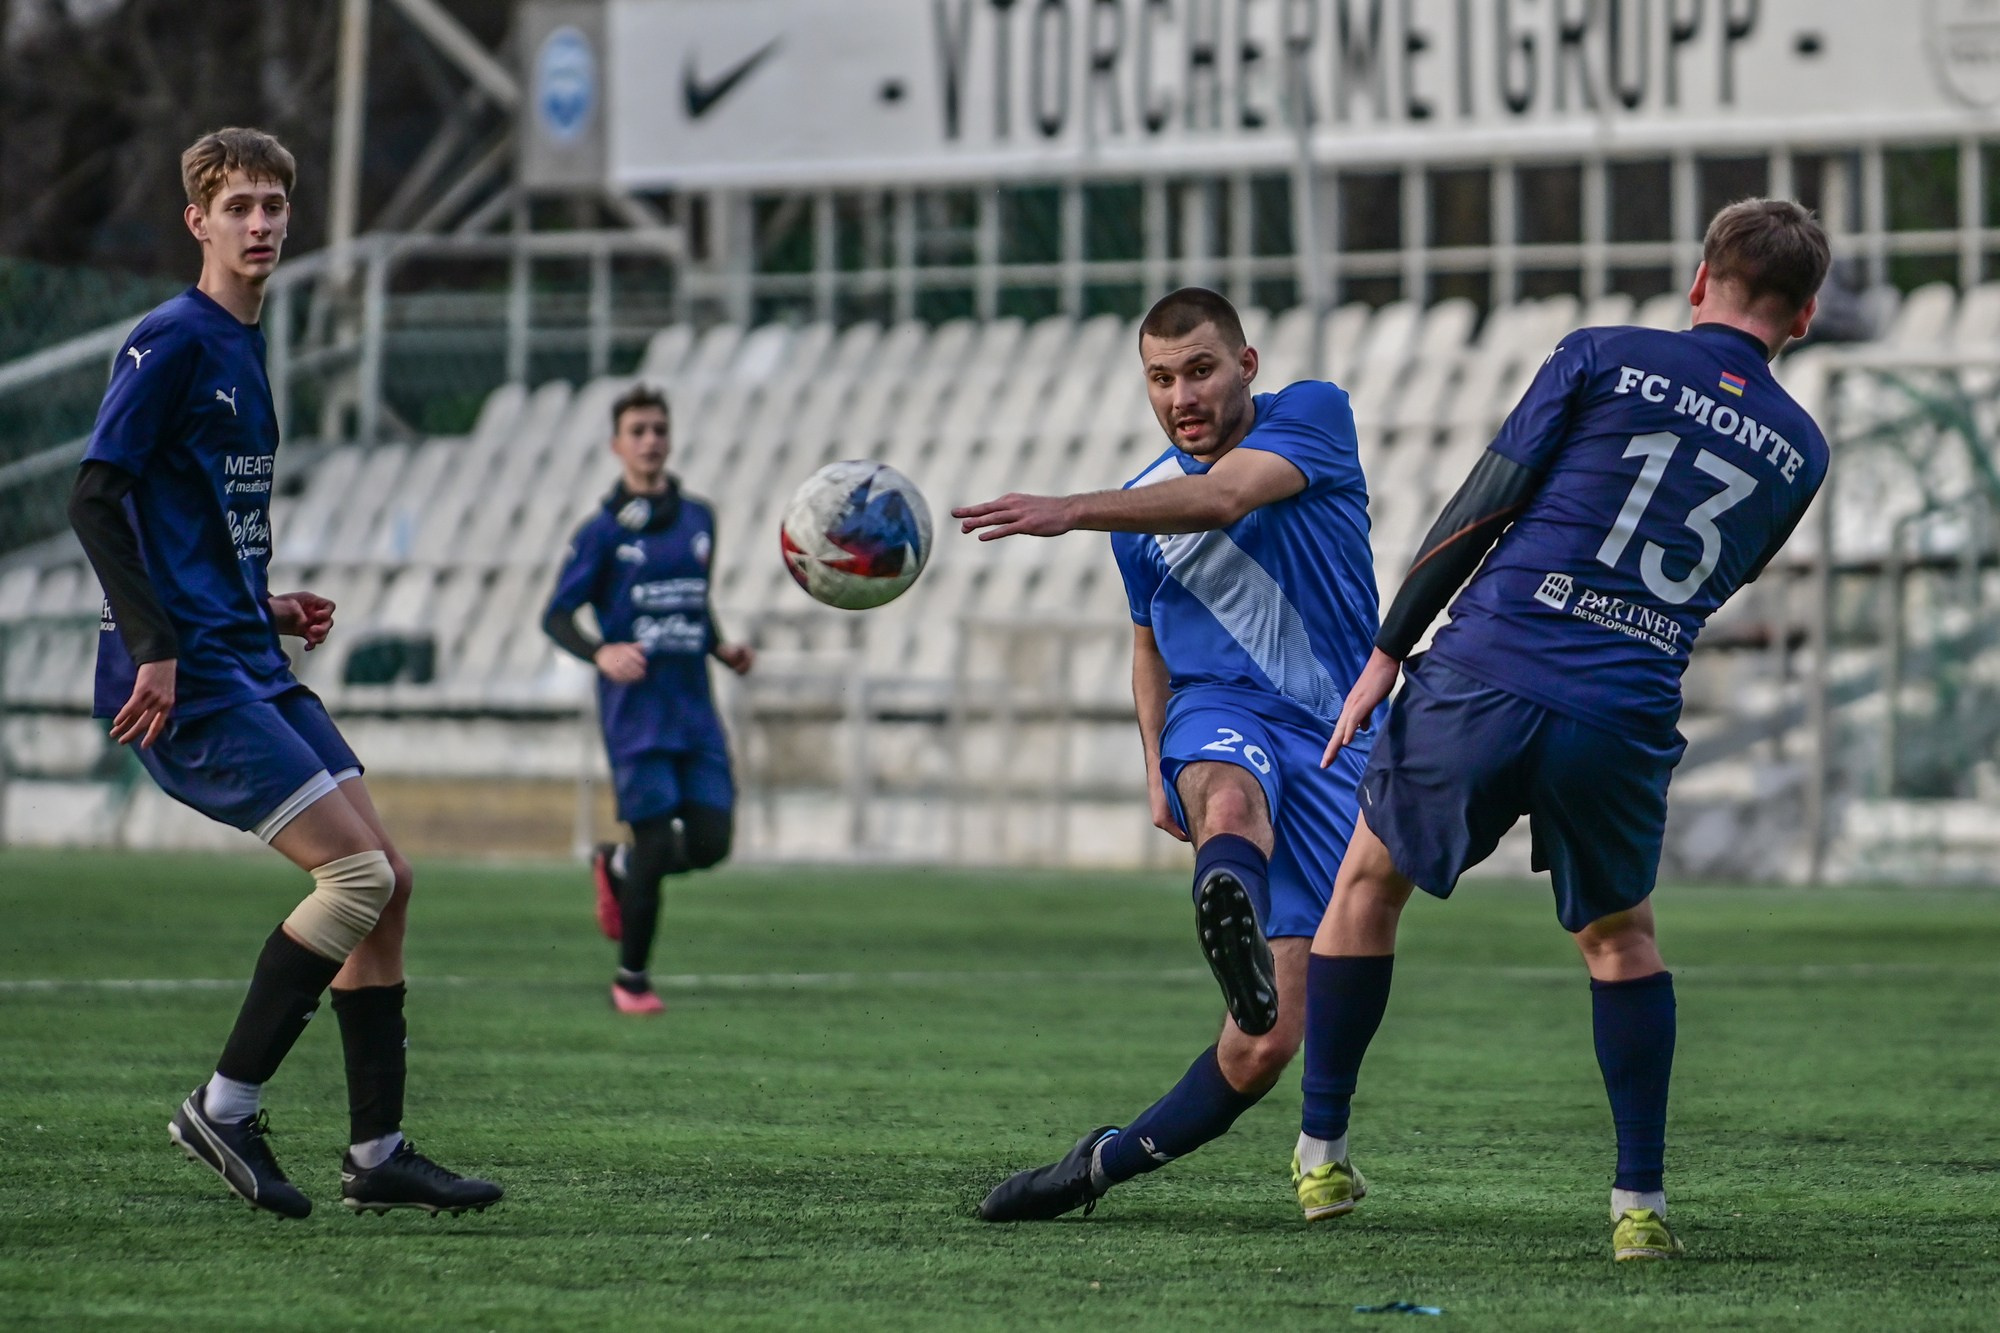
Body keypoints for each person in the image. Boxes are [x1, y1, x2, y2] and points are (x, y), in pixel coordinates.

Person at [1291, 199, 1832, 1261]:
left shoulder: (1600, 354)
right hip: (1622, 704)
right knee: (1621, 939)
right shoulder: (1802, 449)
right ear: (1803, 316)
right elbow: (1725, 577)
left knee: (1366, 885)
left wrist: (1391, 645)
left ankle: (1321, 1151)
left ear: (1698, 281)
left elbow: (1484, 501)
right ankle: (1639, 1205)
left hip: (1490, 667)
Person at [66, 128, 501, 1219]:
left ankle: (377, 1152)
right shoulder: (173, 337)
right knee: (353, 879)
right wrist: (156, 646)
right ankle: (223, 1105)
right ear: (197, 222)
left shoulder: (244, 344)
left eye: (273, 206)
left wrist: (261, 601)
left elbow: (190, 517)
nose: (260, 224)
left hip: (244, 652)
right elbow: (95, 497)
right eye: (239, 207)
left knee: (390, 880)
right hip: (192, 676)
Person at [955, 287, 1381, 1220]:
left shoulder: (1316, 414)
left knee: (1262, 1046)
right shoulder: (1143, 509)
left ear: (1246, 366)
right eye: (1160, 378)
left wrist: (1072, 509)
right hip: (1217, 709)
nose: (1181, 395)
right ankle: (1229, 904)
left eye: (1200, 370)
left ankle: (1098, 1164)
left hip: (1336, 738)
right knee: (1227, 802)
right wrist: (1156, 762)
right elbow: (1148, 645)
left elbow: (1226, 495)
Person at [542, 384, 755, 1015]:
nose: (651, 440)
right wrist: (600, 652)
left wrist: (721, 647)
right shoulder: (602, 533)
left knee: (713, 843)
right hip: (636, 714)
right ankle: (631, 980)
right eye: (638, 431)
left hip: (695, 709)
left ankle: (620, 866)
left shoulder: (700, 519)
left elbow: (691, 601)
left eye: (659, 429)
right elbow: (557, 616)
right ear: (617, 445)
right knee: (658, 843)